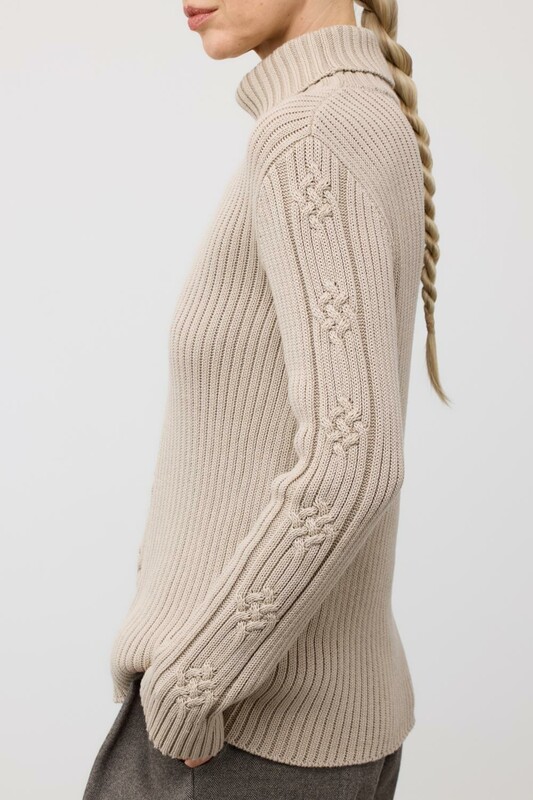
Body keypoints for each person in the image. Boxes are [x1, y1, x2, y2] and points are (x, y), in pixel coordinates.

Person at [83, 1, 449, 798]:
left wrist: (193, 684)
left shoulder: (309, 133)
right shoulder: (358, 111)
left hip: (237, 739)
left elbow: (350, 462)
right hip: (312, 734)